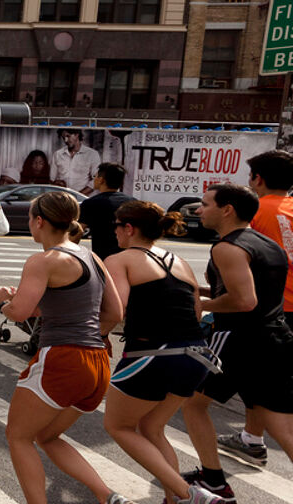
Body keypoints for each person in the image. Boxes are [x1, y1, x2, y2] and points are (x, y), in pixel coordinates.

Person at [0, 191, 127, 504]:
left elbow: (19, 313)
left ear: (39, 221)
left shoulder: (44, 260)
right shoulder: (90, 256)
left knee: (18, 436)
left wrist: (3, 302)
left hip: (63, 358)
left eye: (30, 219)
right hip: (99, 361)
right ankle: (107, 496)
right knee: (47, 436)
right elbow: (114, 313)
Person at [101, 201, 224, 504]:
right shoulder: (179, 260)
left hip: (153, 354)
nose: (114, 232)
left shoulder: (122, 259)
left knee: (118, 425)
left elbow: (116, 309)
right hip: (195, 355)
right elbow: (196, 311)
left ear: (128, 228)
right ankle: (175, 499)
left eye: (116, 226)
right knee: (152, 428)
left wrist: (97, 335)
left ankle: (189, 494)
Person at [181, 184, 293, 500]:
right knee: (282, 427)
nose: (199, 210)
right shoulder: (268, 246)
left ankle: (214, 480)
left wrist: (203, 305)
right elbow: (253, 294)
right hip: (275, 337)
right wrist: (199, 292)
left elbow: (244, 300)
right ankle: (213, 478)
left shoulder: (227, 247)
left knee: (193, 404)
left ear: (227, 209)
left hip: (238, 341)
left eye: (205, 204)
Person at [218, 150, 293, 466]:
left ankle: (251, 440)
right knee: (261, 382)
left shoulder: (256, 213)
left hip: (268, 309)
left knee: (257, 385)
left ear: (257, 179)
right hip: (283, 311)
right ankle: (251, 438)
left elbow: (244, 261)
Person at [79, 163, 136, 259]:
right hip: (129, 259)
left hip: (102, 261)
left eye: (95, 176)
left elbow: (78, 232)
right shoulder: (133, 203)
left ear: (101, 180)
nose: (94, 179)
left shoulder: (90, 204)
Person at [52, 128, 100, 195]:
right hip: (62, 199)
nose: (66, 140)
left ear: (77, 135)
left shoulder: (92, 154)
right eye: (63, 138)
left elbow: (96, 180)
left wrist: (77, 196)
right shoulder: (57, 154)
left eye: (68, 136)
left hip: (83, 200)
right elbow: (52, 179)